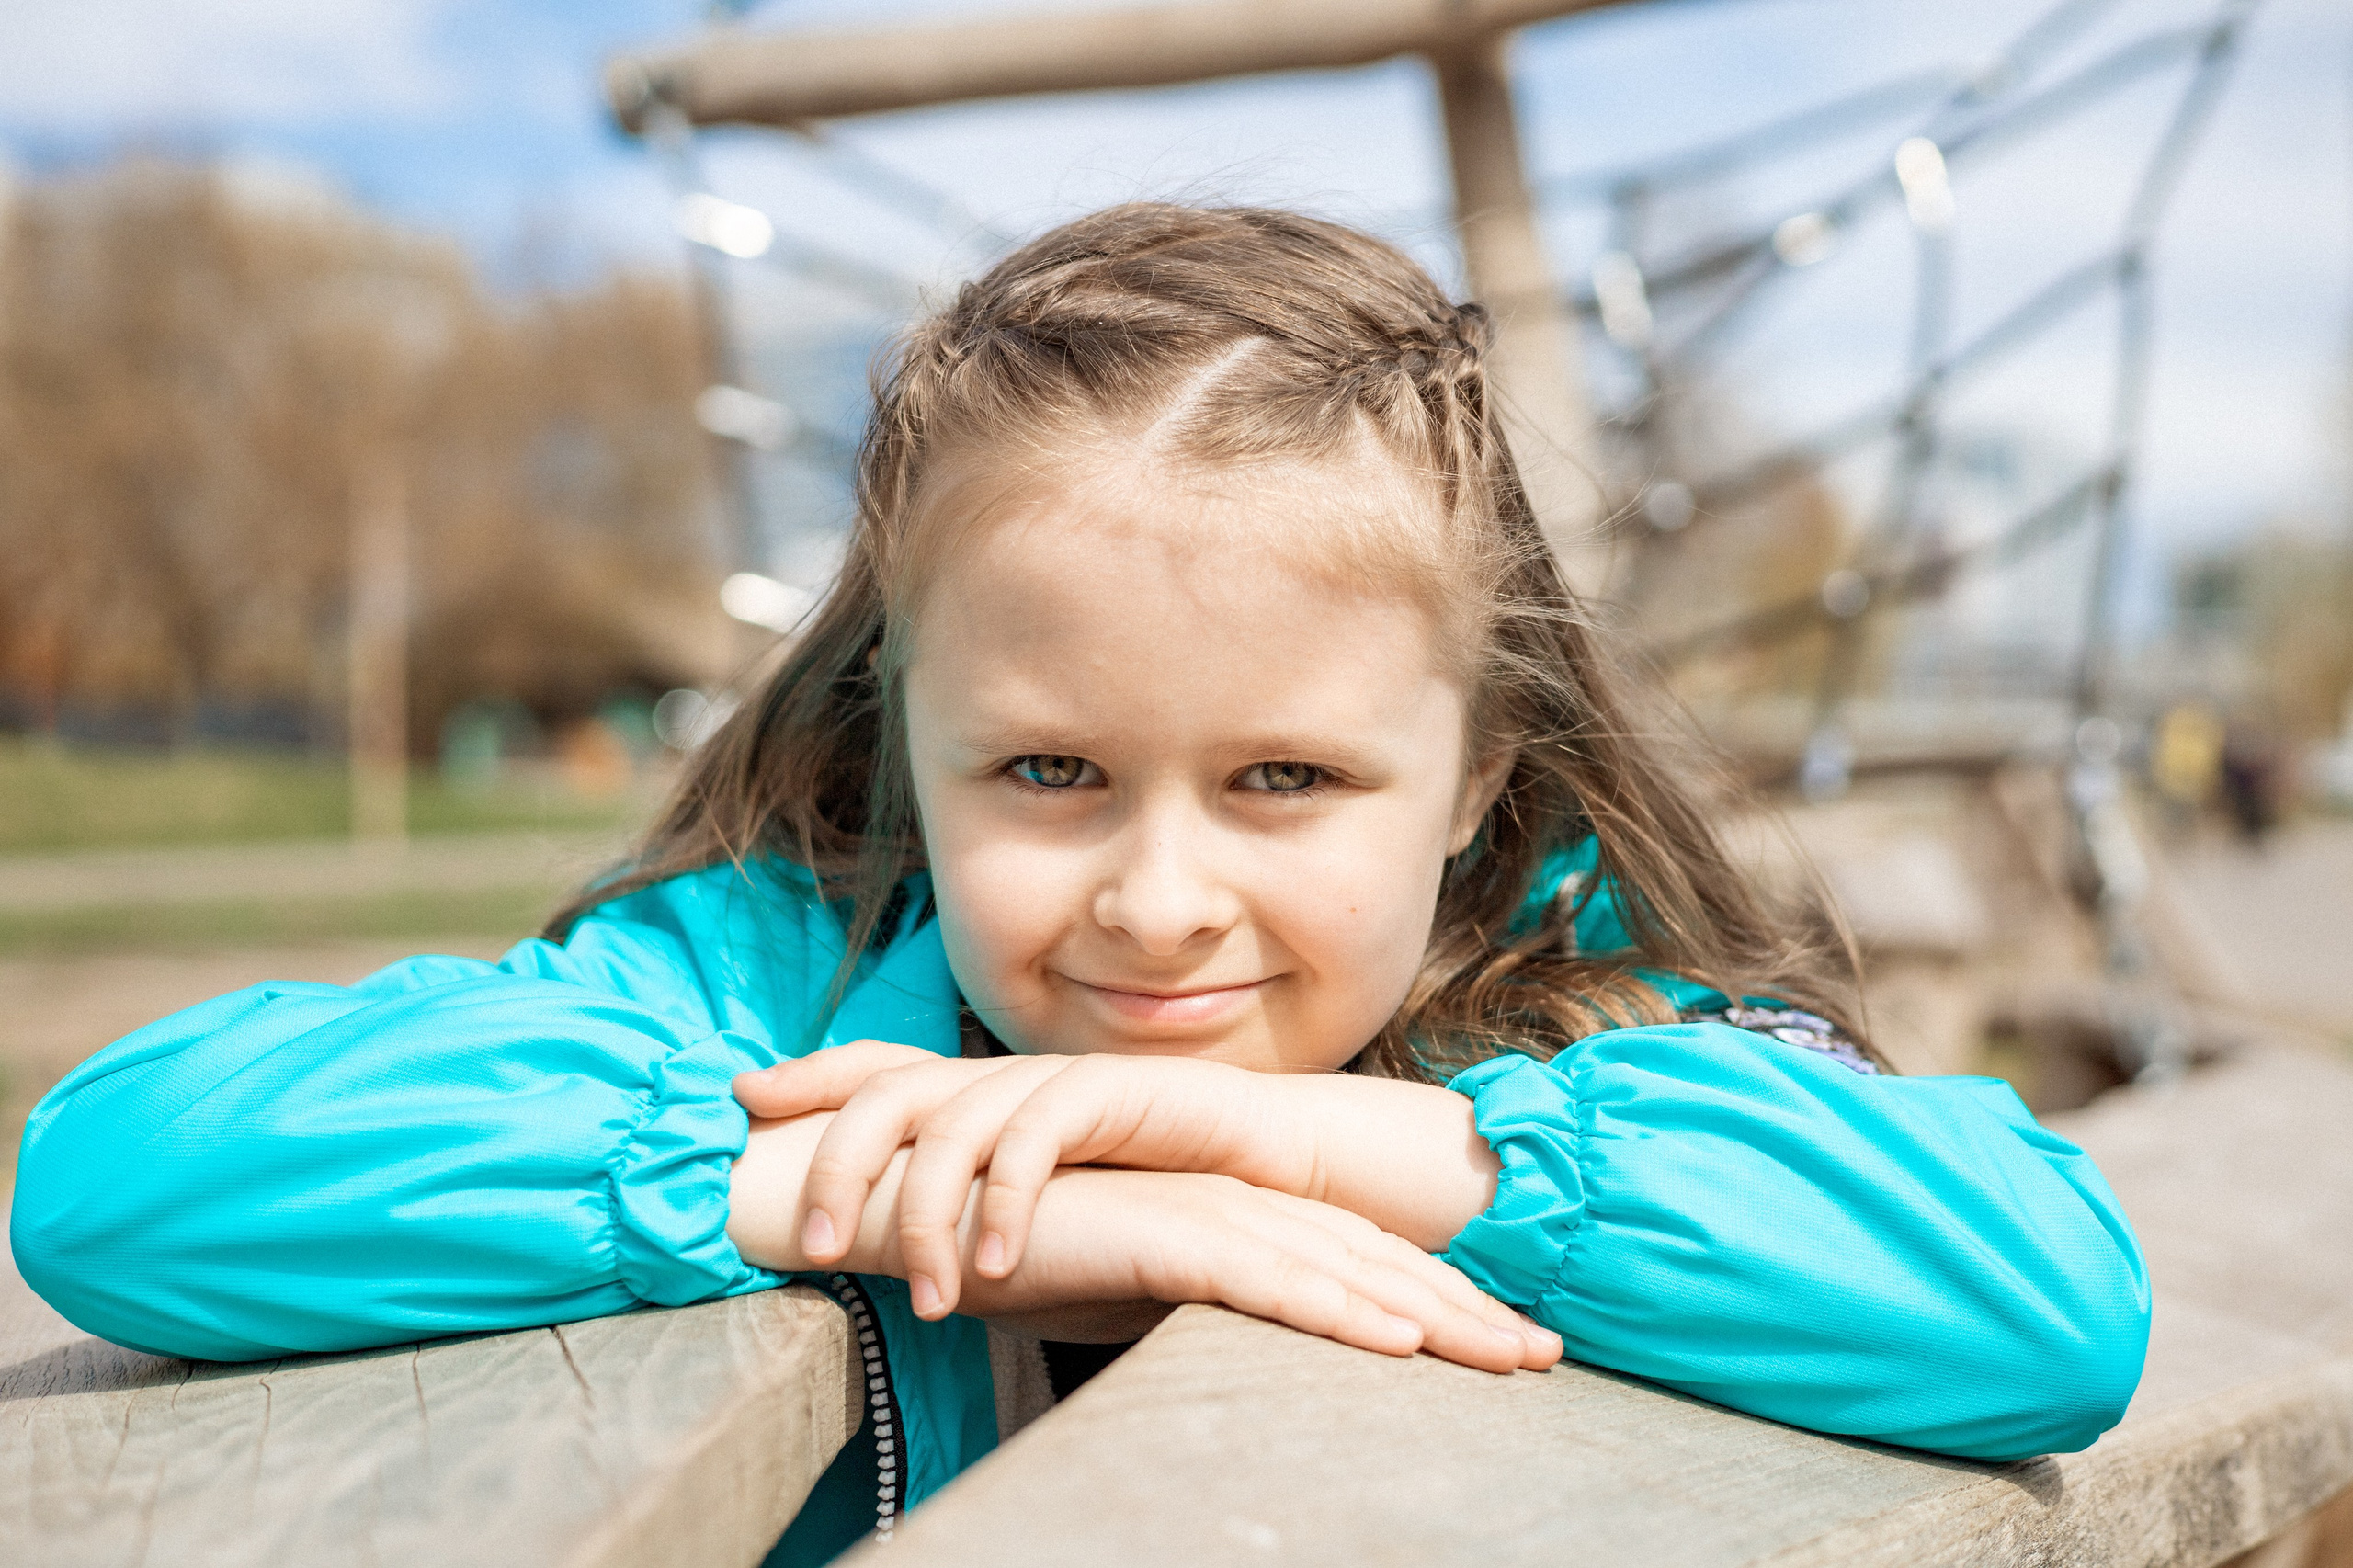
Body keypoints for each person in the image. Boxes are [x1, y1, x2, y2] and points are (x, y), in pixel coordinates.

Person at [12, 205, 2149, 1563]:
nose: (1154, 897)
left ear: (1472, 774)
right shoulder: (777, 991)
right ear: (902, 725)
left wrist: (1281, 1138)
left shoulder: (1569, 1020)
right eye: (1046, 768)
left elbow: (2044, 1311)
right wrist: (857, 1194)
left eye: (1284, 778)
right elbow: (123, 1180)